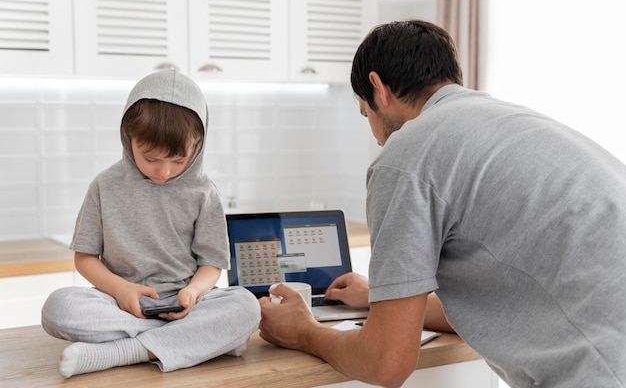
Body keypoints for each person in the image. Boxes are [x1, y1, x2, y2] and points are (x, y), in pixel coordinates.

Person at [258, 20, 626, 388]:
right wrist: (381, 300)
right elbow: (498, 301)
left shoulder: (406, 154)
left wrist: (303, 331)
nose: (376, 136)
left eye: (364, 113)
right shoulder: (513, 120)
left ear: (378, 88)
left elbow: (385, 363)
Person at [41, 69, 260, 378]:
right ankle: (193, 342)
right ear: (128, 139)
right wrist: (120, 290)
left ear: (197, 147)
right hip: (118, 303)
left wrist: (194, 293)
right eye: (151, 159)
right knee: (58, 306)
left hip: (186, 304)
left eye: (178, 160)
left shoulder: (204, 192)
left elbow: (212, 264)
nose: (164, 172)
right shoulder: (105, 186)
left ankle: (122, 351)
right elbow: (85, 258)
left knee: (246, 306)